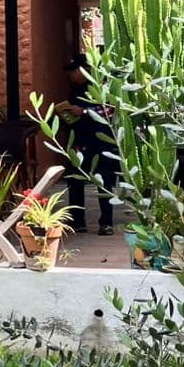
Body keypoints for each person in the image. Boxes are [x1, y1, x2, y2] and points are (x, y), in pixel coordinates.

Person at [56, 56, 115, 235]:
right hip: (78, 141)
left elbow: (110, 109)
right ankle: (77, 222)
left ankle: (106, 223)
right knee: (75, 182)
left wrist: (83, 111)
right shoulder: (74, 89)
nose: (70, 75)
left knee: (103, 183)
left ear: (84, 70)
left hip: (100, 141)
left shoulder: (100, 86)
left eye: (73, 71)